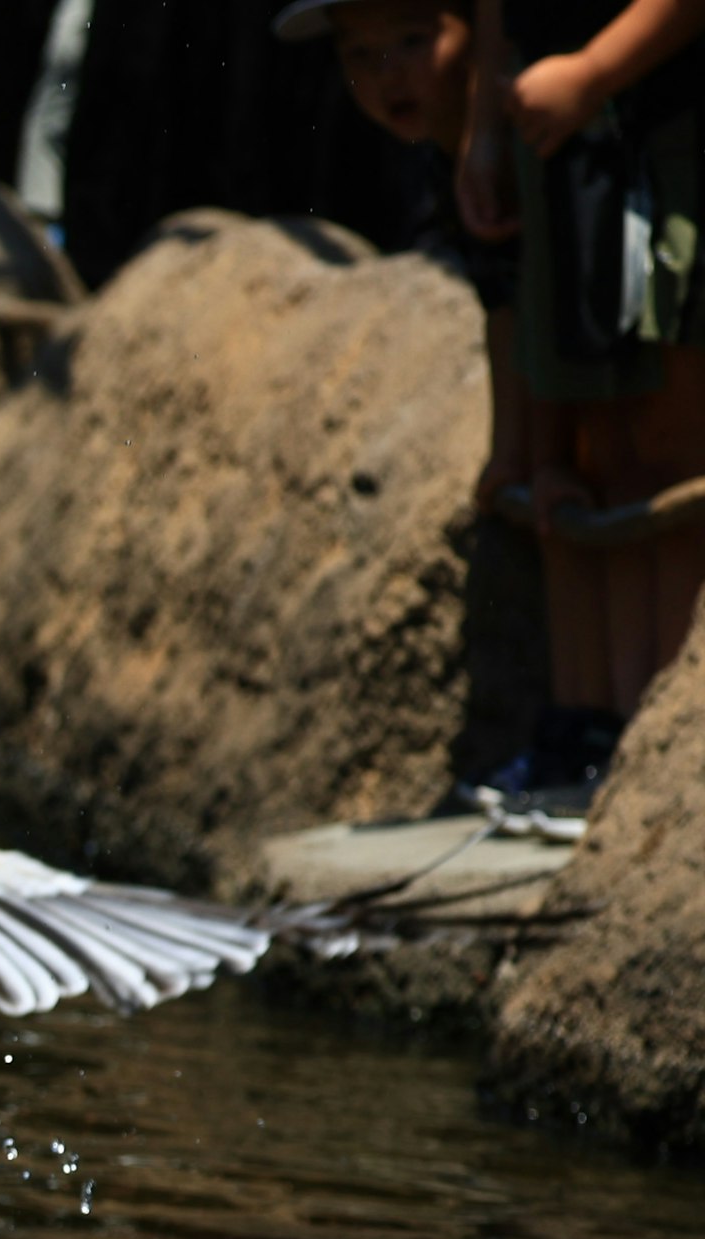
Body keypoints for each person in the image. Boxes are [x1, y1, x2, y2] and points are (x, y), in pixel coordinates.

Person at [282, 5, 554, 787]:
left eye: (411, 41)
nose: (386, 74)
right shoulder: (447, 159)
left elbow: (542, 314)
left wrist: (536, 449)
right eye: (359, 55)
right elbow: (504, 309)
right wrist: (511, 450)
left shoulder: (523, 140)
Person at [456, 0, 705, 794]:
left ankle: (661, 747)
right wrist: (486, 127)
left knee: (671, 457)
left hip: (659, 128)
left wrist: (596, 70)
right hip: (559, 136)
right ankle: (606, 731)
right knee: (609, 457)